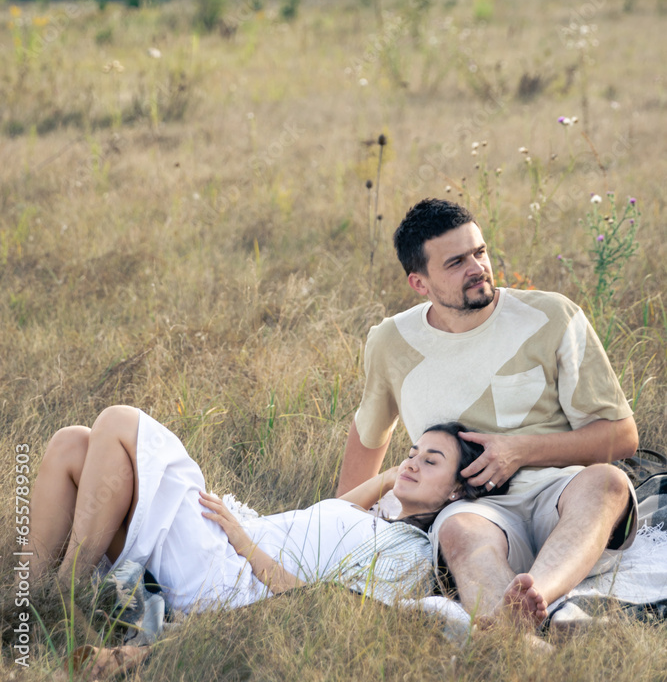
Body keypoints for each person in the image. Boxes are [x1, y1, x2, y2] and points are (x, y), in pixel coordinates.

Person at [337, 198, 639, 627]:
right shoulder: (391, 342)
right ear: (419, 283)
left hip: (562, 497)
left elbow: (622, 437)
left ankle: (535, 597)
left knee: (608, 481)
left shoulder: (552, 315)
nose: (477, 268)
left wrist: (519, 451)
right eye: (456, 262)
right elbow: (370, 435)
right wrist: (334, 529)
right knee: (458, 531)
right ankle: (518, 634)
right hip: (473, 511)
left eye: (479, 252)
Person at [28, 406, 506, 618]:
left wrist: (243, 540)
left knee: (120, 421)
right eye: (412, 451)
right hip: (219, 549)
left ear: (456, 493)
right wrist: (387, 478)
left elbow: (318, 604)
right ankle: (24, 597)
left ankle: (66, 591)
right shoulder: (377, 521)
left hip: (228, 577)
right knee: (73, 443)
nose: (412, 462)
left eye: (431, 460)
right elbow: (326, 518)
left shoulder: (412, 557)